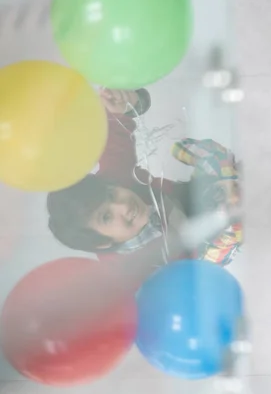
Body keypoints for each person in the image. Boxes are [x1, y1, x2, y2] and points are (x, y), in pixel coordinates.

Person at [47, 88, 242, 266]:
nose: (123, 206)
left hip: (182, 199)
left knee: (217, 161)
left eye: (111, 195)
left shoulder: (115, 177)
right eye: (106, 217)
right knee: (228, 232)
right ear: (103, 243)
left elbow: (117, 121)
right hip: (195, 254)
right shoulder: (127, 270)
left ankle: (223, 182)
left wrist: (129, 101)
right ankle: (232, 212)